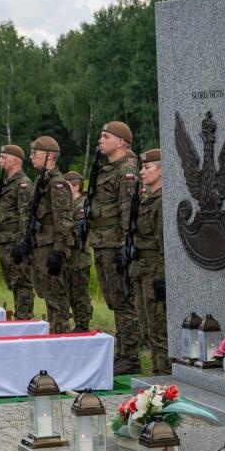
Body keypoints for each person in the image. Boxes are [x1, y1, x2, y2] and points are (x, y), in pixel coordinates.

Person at [87, 121, 142, 373]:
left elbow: (127, 212)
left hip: (114, 244)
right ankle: (123, 352)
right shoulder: (106, 169)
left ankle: (130, 357)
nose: (101, 140)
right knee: (113, 300)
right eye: (101, 135)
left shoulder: (126, 171)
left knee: (122, 301)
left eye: (106, 136)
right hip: (101, 242)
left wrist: (123, 246)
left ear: (120, 142)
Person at [28, 138, 76, 333]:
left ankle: (61, 336)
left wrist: (58, 252)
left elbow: (63, 221)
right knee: (48, 296)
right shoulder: (41, 181)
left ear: (49, 155)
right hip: (42, 245)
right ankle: (55, 335)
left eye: (35, 153)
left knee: (57, 298)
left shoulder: (56, 184)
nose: (31, 156)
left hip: (51, 248)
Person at [131, 149, 169, 374]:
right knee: (146, 328)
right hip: (141, 271)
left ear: (162, 170)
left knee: (158, 330)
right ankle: (157, 374)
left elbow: (163, 243)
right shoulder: (146, 201)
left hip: (154, 272)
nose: (142, 172)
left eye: (148, 168)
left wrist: (162, 277)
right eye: (142, 168)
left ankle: (165, 378)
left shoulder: (162, 201)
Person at [0, 143, 38, 320]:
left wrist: (22, 243)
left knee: (22, 281)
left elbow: (25, 217)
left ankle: (25, 316)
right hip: (5, 239)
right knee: (13, 281)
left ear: (15, 160)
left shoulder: (23, 184)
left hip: (15, 241)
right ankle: (21, 312)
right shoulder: (7, 183)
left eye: (3, 157)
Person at [65, 171, 94, 332]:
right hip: (70, 256)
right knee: (71, 292)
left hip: (79, 257)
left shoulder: (82, 205)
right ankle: (78, 322)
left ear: (75, 186)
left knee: (80, 293)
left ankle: (83, 323)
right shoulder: (68, 205)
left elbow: (79, 232)